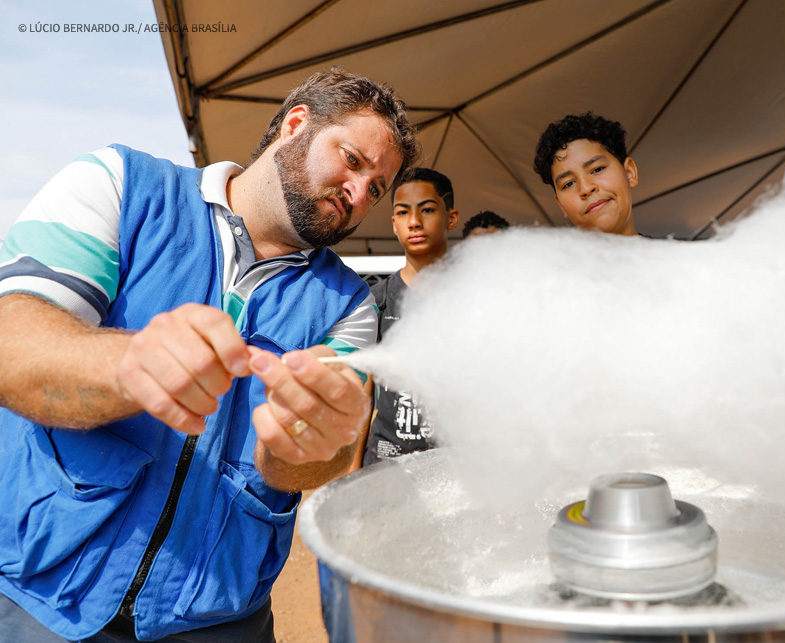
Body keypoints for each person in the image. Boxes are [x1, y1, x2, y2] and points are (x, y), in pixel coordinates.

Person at [0, 68, 418, 642]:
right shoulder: (120, 183)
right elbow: (13, 344)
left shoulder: (349, 304)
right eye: (352, 160)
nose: (358, 194)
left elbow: (309, 466)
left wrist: (305, 442)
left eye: (376, 188)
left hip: (220, 614)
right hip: (39, 594)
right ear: (295, 125)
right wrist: (129, 364)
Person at [359, 167, 459, 466]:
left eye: (427, 210)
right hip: (384, 467)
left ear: (451, 217)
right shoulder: (375, 301)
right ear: (393, 223)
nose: (414, 222)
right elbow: (362, 396)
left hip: (455, 470)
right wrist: (350, 474)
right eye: (403, 213)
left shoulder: (475, 298)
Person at [533, 112, 639, 236]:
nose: (586, 188)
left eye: (597, 169)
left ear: (629, 173)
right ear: (561, 205)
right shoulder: (540, 255)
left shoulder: (666, 253)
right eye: (569, 184)